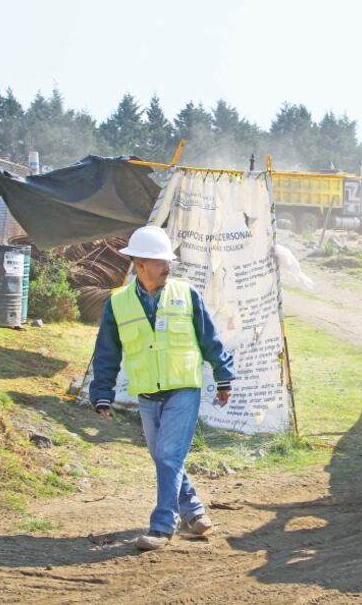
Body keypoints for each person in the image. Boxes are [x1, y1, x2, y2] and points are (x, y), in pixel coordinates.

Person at [89, 226, 236, 551]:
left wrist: (223, 375)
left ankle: (161, 526)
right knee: (163, 458)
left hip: (183, 389)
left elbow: (209, 338)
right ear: (140, 265)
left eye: (168, 261)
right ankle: (194, 513)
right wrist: (102, 392)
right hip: (147, 393)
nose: (168, 267)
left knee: (169, 455)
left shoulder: (186, 294)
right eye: (160, 262)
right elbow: (106, 352)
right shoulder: (118, 304)